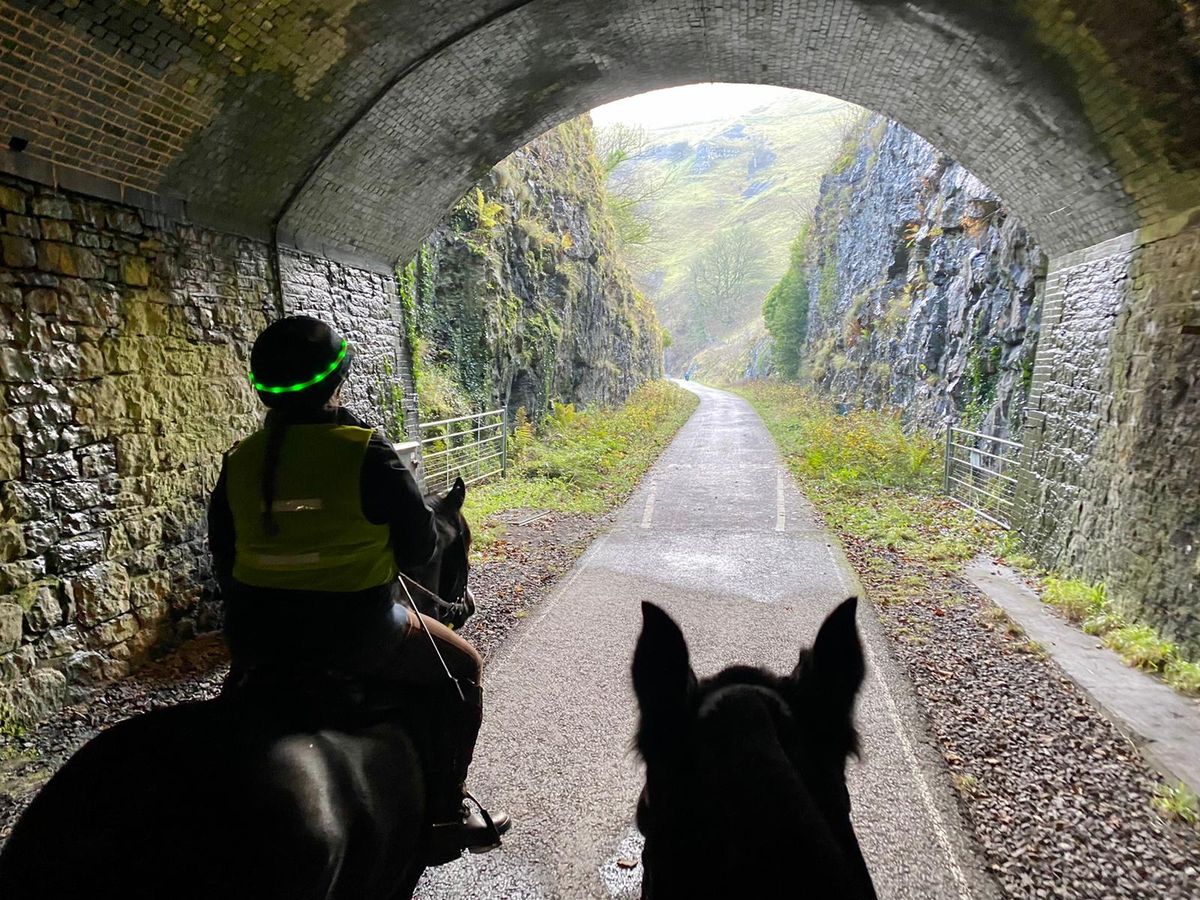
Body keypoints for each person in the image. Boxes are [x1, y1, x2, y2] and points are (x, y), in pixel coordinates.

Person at [206, 315, 510, 863]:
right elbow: (420, 551)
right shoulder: (364, 451)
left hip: (258, 640)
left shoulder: (239, 461)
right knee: (464, 669)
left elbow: (225, 563)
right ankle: (447, 812)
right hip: (359, 632)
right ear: (335, 384)